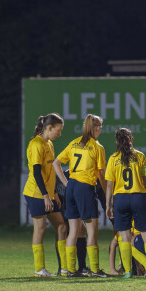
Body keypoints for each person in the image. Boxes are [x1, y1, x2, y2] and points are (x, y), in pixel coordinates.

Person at [53, 114, 108, 278]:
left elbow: (56, 163)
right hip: (85, 188)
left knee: (74, 231)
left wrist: (66, 183)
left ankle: (70, 270)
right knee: (92, 231)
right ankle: (96, 270)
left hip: (72, 188)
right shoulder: (97, 147)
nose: (100, 129)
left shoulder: (75, 142)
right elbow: (102, 175)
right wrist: (108, 195)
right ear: (95, 127)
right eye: (100, 126)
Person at [105, 128, 146, 279]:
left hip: (121, 199)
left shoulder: (113, 158)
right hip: (138, 197)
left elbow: (109, 185)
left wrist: (108, 205)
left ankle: (128, 272)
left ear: (116, 142)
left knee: (124, 237)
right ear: (132, 140)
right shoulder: (140, 156)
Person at [23, 113, 68, 277]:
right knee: (40, 229)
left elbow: (49, 172)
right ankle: (39, 269)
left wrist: (54, 192)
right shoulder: (36, 144)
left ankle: (64, 268)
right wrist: (45, 196)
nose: (60, 134)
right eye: (58, 130)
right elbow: (36, 173)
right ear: (49, 128)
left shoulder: (49, 143)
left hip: (48, 194)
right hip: (36, 193)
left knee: (62, 226)